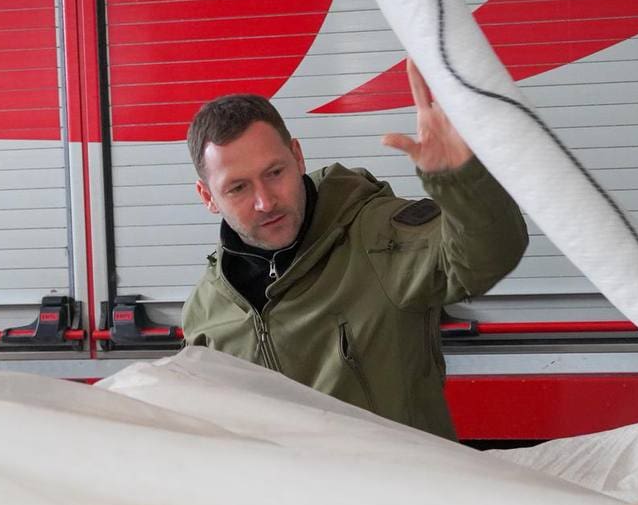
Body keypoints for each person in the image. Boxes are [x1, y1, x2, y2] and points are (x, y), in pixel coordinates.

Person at [181, 63, 528, 439]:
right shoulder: (204, 316)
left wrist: (460, 181)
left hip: (403, 476)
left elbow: (487, 255)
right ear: (207, 197)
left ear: (297, 156)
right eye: (238, 188)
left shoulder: (378, 238)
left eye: (274, 173)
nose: (265, 202)